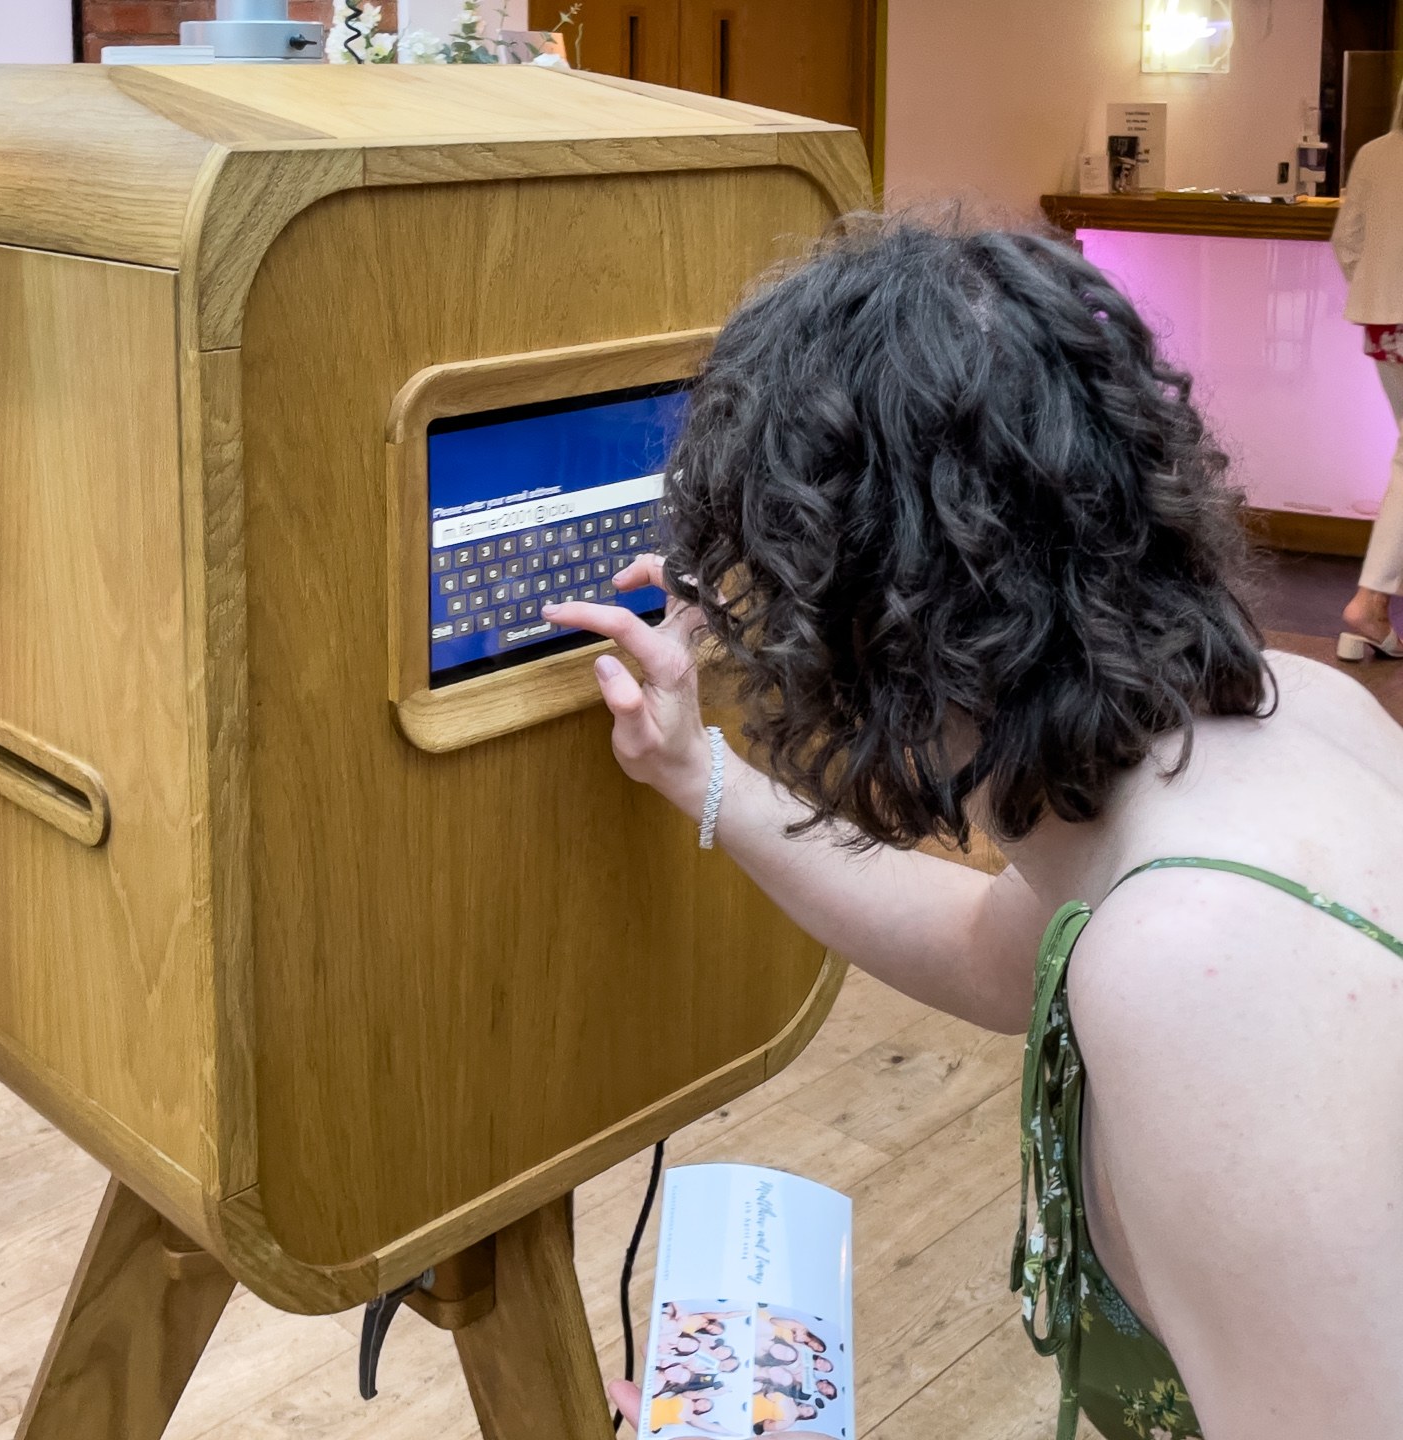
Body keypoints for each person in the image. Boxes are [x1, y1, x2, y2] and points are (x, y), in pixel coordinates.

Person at [576, 219, 1403, 1439]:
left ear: (866, 620)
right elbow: (989, 947)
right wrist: (708, 778)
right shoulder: (1299, 715)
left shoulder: (1196, 965)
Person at [1334, 82, 1403, 660]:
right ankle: (1371, 602)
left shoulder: (1375, 152)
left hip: (1385, 324)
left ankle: (1374, 606)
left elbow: (1347, 241)